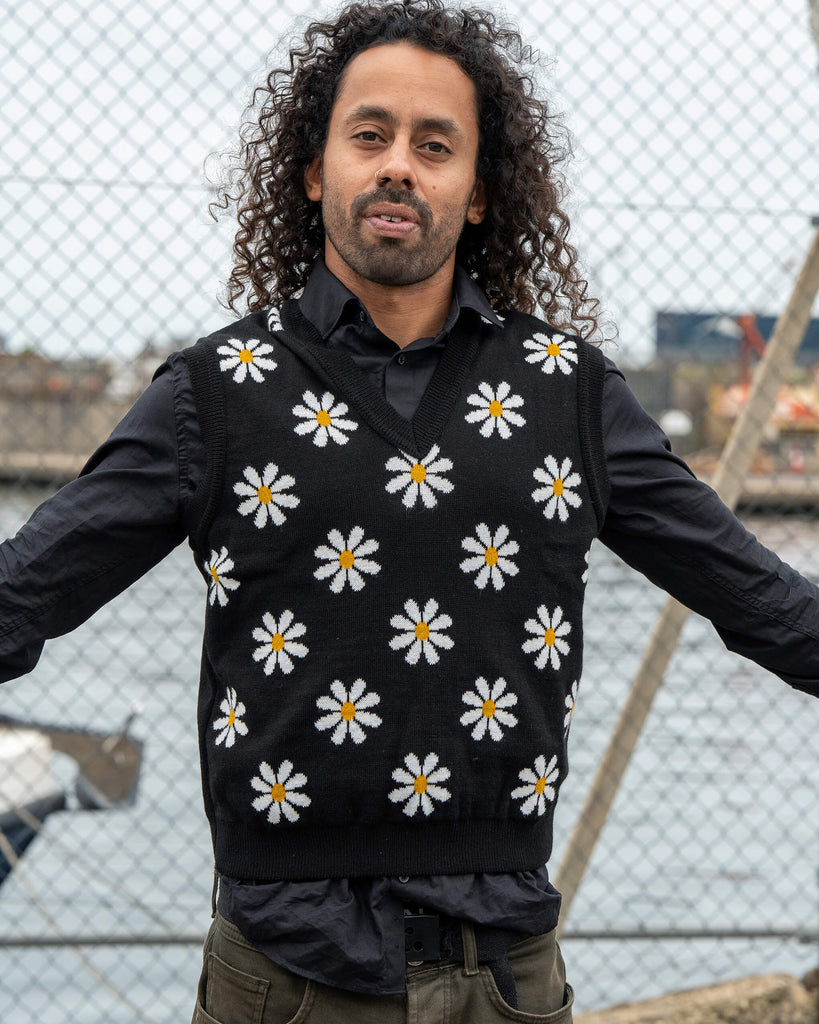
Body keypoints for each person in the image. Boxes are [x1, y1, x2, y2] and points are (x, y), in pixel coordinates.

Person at [1, 2, 817, 1021]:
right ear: (314, 169)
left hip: (506, 976)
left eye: (437, 145)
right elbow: (24, 590)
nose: (399, 165)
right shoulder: (217, 393)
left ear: (479, 192)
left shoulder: (566, 391)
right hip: (281, 979)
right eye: (370, 135)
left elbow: (765, 601)